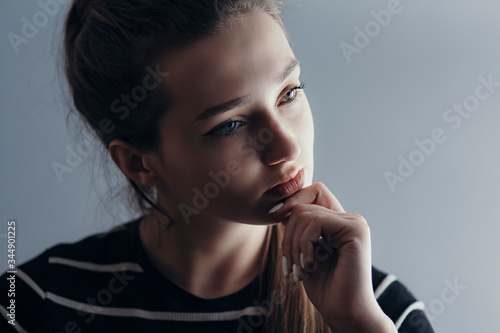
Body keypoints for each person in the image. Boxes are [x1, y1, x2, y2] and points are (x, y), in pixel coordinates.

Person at [0, 0, 435, 332]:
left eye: (289, 93)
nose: (284, 145)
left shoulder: (378, 308)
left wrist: (358, 323)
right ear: (138, 162)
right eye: (230, 125)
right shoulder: (33, 304)